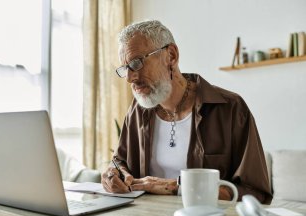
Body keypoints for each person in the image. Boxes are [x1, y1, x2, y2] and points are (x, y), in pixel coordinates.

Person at [101, 20, 272, 204]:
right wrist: (113, 174)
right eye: (125, 68)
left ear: (171, 56)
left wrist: (177, 187)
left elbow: (256, 193)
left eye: (136, 63)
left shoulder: (231, 108)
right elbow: (120, 162)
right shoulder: (137, 110)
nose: (129, 78)